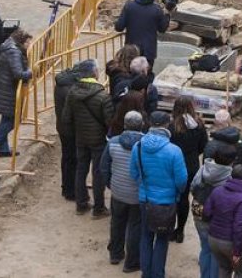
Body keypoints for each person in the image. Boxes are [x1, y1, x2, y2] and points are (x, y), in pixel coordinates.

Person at [131, 110, 189, 278]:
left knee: (146, 236)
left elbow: (134, 173)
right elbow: (182, 180)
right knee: (162, 239)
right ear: (167, 125)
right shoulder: (174, 151)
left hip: (145, 199)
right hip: (166, 201)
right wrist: (177, 192)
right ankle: (157, 274)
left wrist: (144, 186)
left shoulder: (138, 146)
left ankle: (146, 273)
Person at [65, 58, 116, 217]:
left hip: (80, 138)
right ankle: (99, 208)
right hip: (98, 139)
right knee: (98, 172)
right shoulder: (102, 96)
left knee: (81, 169)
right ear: (94, 73)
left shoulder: (72, 92)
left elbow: (66, 117)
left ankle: (81, 204)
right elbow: (109, 121)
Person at [102, 110, 145, 271]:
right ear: (141, 125)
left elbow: (103, 167)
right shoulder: (145, 145)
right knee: (135, 227)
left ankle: (115, 254)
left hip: (118, 191)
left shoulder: (113, 142)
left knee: (117, 223)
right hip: (137, 194)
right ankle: (131, 262)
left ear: (125, 125)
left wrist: (111, 184)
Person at [0, 28, 33, 158]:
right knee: (13, 119)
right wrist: (31, 72)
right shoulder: (14, 53)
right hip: (8, 91)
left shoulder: (10, 47)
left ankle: (3, 149)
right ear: (21, 42)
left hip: (3, 89)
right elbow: (18, 73)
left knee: (6, 118)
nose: (30, 45)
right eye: (28, 42)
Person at [192, 146, 237, 278]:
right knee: (216, 253)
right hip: (217, 217)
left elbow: (193, 186)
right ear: (232, 161)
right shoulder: (230, 176)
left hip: (199, 211)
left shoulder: (203, 168)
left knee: (205, 248)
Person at [170, 96, 209, 243]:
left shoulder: (172, 127)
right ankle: (180, 230)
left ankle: (170, 228)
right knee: (184, 198)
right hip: (192, 165)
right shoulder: (199, 125)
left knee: (173, 198)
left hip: (174, 166)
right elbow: (203, 146)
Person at [56, 60, 95, 201]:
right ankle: (71, 190)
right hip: (71, 129)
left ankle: (67, 187)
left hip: (63, 127)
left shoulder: (63, 82)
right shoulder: (71, 89)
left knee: (67, 157)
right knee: (73, 159)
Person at [206, 163, 242, 278]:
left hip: (213, 238)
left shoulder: (217, 190)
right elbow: (239, 226)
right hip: (230, 242)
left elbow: (206, 212)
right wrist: (237, 251)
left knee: (224, 268)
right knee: (241, 271)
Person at [114, 0, 170, 66]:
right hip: (148, 52)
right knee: (146, 73)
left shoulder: (129, 6)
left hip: (131, 52)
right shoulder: (157, 9)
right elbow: (162, 29)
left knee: (129, 72)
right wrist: (167, 15)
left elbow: (119, 27)